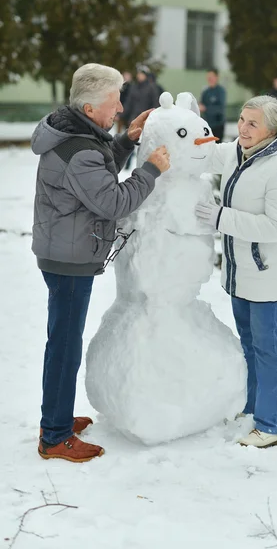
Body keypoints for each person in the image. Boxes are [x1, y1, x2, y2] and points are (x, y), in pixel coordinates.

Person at [31, 63, 170, 463]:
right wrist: (150, 170)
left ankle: (54, 417)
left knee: (62, 341)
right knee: (64, 346)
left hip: (63, 250)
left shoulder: (76, 133)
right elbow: (112, 201)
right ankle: (54, 436)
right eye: (114, 102)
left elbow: (98, 166)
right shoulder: (80, 150)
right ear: (90, 109)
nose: (121, 107)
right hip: (69, 257)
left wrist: (127, 140)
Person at [195, 95, 277, 449]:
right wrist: (178, 125)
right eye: (241, 119)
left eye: (252, 123)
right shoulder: (238, 153)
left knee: (267, 349)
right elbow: (205, 153)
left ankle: (270, 426)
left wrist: (221, 218)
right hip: (241, 274)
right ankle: (252, 407)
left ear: (272, 130)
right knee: (250, 346)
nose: (243, 128)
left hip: (269, 275)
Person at [124, 65, 161, 169]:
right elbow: (128, 103)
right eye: (138, 74)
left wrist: (153, 118)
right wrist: (122, 114)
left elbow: (155, 104)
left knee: (146, 143)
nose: (139, 76)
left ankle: (147, 164)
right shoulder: (134, 87)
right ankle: (127, 164)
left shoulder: (151, 87)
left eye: (141, 74)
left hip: (147, 121)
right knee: (130, 140)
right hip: (134, 119)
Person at [199, 68, 226, 143]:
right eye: (208, 77)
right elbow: (201, 104)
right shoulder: (205, 92)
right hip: (207, 126)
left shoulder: (220, 91)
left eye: (211, 77)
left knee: (216, 148)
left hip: (217, 126)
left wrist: (206, 108)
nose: (209, 79)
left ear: (217, 77)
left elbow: (220, 109)